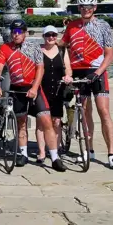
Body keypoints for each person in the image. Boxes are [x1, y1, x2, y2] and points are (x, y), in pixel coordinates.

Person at [0, 20, 66, 172]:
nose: (16, 35)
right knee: (21, 123)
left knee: (46, 121)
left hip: (34, 88)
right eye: (14, 32)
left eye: (19, 32)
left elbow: (40, 69)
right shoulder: (5, 48)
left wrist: (34, 87)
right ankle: (23, 154)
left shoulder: (34, 47)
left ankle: (55, 158)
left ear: (25, 33)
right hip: (16, 89)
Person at [61, 0, 113, 169]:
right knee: (85, 113)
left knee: (103, 111)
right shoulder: (72, 26)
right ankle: (89, 150)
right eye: (82, 7)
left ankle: (111, 153)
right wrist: (46, 40)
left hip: (97, 72)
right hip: (79, 73)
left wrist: (98, 72)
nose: (85, 10)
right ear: (78, 8)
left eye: (89, 7)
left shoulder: (103, 26)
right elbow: (62, 44)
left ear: (94, 8)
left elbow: (109, 54)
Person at [35, 25, 73, 163]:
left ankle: (55, 152)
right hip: (42, 89)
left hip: (58, 89)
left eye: (53, 35)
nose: (51, 37)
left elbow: (68, 68)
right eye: (48, 35)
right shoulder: (38, 50)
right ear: (43, 36)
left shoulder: (62, 50)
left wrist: (68, 76)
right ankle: (41, 152)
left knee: (56, 121)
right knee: (41, 121)